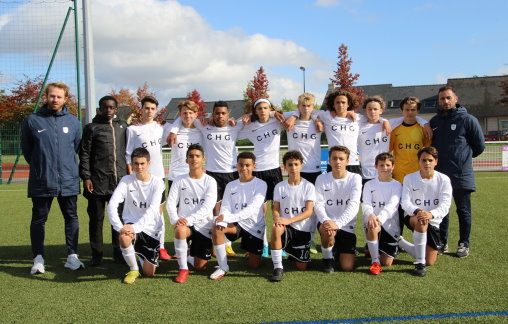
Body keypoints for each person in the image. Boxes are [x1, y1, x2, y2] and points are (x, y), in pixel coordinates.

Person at [21, 82, 84, 275]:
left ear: (65, 99)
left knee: (71, 217)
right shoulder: (32, 120)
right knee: (39, 220)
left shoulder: (74, 122)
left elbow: (77, 148)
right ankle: (38, 258)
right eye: (52, 96)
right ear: (46, 97)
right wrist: (42, 167)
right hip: (42, 180)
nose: (55, 99)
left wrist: (65, 168)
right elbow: (27, 150)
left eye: (59, 97)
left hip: (68, 180)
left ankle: (72, 256)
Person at [169, 100, 241, 256]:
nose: (220, 116)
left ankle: (226, 242)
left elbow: (251, 118)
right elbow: (185, 115)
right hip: (211, 173)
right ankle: (205, 242)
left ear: (228, 114)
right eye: (217, 113)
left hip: (231, 173)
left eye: (223, 113)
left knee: (229, 208)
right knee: (213, 208)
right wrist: (174, 130)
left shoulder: (234, 127)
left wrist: (256, 114)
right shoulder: (204, 126)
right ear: (212, 114)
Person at [429, 86, 485, 258]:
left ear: (455, 99)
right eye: (442, 99)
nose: (445, 102)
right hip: (440, 176)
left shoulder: (468, 120)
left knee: (463, 210)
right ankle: (442, 242)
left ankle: (463, 244)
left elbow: (479, 146)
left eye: (448, 98)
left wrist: (462, 159)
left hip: (461, 174)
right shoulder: (434, 122)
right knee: (441, 211)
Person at [79, 95, 127, 266]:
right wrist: (86, 177)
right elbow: (84, 153)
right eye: (105, 107)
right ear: (100, 109)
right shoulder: (91, 128)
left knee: (118, 219)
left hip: (119, 183)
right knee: (96, 220)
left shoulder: (122, 126)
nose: (108, 111)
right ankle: (97, 255)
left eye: (111, 108)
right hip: (97, 182)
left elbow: (126, 153)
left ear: (116, 109)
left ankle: (119, 253)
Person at [108, 147, 166, 284]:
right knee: (124, 236)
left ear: (148, 163)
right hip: (131, 225)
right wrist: (120, 227)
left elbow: (153, 210)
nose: (139, 167)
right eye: (136, 163)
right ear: (132, 164)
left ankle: (140, 254)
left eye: (142, 163)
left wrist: (136, 228)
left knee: (149, 273)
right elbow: (112, 204)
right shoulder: (126, 180)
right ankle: (133, 269)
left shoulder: (158, 182)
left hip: (151, 229)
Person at [125, 95, 171, 260]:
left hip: (158, 178)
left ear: (156, 111)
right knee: (141, 211)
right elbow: (128, 153)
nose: (149, 111)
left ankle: (162, 246)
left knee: (158, 213)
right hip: (140, 179)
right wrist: (131, 175)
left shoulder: (161, 128)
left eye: (153, 109)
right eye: (147, 108)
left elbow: (180, 122)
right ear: (141, 109)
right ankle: (140, 244)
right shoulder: (133, 130)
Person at [209, 152, 267, 280]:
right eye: (241, 165)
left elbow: (252, 209)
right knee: (217, 228)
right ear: (237, 166)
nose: (244, 168)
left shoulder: (261, 184)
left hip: (254, 226)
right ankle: (223, 267)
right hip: (236, 224)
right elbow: (225, 206)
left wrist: (228, 218)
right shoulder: (231, 185)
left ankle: (257, 252)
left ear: (254, 166)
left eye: (247, 165)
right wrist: (223, 217)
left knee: (254, 265)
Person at [166, 144, 217, 283]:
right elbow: (170, 203)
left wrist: (188, 220)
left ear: (203, 159)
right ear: (186, 159)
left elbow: (208, 207)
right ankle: (183, 268)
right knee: (180, 231)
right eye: (191, 156)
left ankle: (189, 255)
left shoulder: (210, 181)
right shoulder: (179, 180)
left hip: (203, 225)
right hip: (185, 225)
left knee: (200, 267)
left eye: (197, 156)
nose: (194, 159)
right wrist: (176, 220)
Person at [398, 146, 452, 276]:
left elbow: (445, 205)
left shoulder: (444, 179)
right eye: (423, 160)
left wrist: (431, 214)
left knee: (431, 261)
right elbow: (405, 202)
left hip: (433, 220)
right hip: (414, 217)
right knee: (422, 221)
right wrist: (418, 211)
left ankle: (400, 242)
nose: (427, 163)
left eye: (430, 160)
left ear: (436, 162)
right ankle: (419, 263)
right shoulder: (409, 178)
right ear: (419, 161)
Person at [269, 151, 315, 282]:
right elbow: (275, 208)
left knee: (301, 267)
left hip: (302, 229)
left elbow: (309, 212)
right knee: (276, 228)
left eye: (296, 164)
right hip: (285, 227)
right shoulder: (279, 186)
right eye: (290, 164)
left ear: (301, 165)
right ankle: (278, 267)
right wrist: (278, 218)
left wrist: (289, 220)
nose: (293, 167)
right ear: (284, 167)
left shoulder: (308, 186)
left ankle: (292, 252)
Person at [315, 146, 362, 273]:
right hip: (327, 223)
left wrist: (338, 224)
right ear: (329, 161)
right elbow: (318, 205)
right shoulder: (321, 179)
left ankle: (337, 249)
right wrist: (326, 221)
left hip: (345, 225)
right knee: (328, 232)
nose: (338, 162)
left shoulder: (355, 178)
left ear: (347, 161)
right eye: (334, 158)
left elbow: (354, 205)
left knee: (347, 267)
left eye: (341, 158)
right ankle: (327, 259)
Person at [389, 97, 431, 237]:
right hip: (399, 175)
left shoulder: (423, 129)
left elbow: (428, 150)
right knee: (398, 210)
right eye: (407, 109)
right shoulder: (395, 131)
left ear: (418, 110)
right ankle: (397, 239)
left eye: (413, 109)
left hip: (418, 176)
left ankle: (422, 238)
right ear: (402, 110)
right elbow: (389, 151)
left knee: (419, 208)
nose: (410, 112)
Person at [361, 153, 402, 275]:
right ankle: (375, 262)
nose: (385, 168)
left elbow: (392, 205)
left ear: (393, 166)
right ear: (376, 166)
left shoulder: (397, 185)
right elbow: (366, 204)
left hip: (390, 226)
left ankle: (377, 246)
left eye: (388, 165)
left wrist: (379, 218)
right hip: (374, 222)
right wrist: (371, 215)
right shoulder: (369, 184)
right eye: (381, 165)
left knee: (387, 263)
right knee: (373, 225)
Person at [357, 96, 390, 184]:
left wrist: (384, 120)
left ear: (381, 110)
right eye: (369, 109)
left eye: (375, 109)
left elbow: (410, 118)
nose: (372, 112)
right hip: (367, 172)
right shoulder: (359, 128)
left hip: (385, 170)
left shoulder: (390, 124)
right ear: (365, 111)